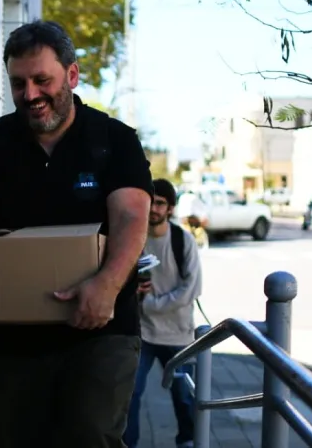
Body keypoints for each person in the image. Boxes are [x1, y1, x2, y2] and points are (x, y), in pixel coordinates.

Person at [0, 20, 152, 447]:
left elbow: (131, 216)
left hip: (99, 333)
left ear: (71, 75)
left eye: (41, 80)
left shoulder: (114, 140)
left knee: (89, 436)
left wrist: (107, 286)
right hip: (11, 342)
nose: (30, 94)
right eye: (18, 84)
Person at [124, 179, 202, 448]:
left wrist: (149, 304)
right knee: (130, 393)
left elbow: (190, 290)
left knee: (185, 396)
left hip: (178, 335)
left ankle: (189, 441)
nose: (154, 209)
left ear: (170, 208)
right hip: (143, 334)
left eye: (160, 203)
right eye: (151, 202)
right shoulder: (134, 238)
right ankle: (128, 443)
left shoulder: (183, 241)